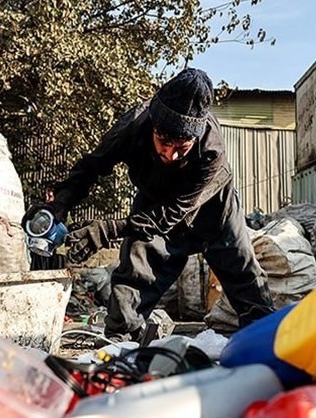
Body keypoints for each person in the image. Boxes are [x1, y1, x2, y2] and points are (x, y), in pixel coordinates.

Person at [23, 68, 274, 342]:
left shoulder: (212, 151)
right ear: (154, 123)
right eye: (164, 141)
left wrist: (106, 230)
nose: (170, 154)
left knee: (243, 273)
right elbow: (90, 168)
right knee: (135, 268)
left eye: (182, 147)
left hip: (212, 208)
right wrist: (60, 204)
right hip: (154, 198)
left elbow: (169, 216)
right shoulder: (133, 126)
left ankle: (267, 342)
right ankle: (119, 342)